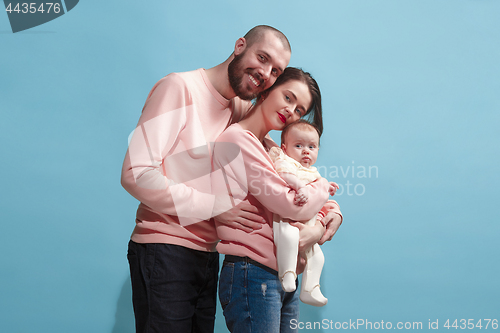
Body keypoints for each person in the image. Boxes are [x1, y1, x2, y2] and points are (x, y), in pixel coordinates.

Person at [121, 25, 292, 333]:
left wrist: (328, 213)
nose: (266, 73)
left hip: (210, 254)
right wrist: (216, 208)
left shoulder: (240, 110)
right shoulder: (179, 88)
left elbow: (281, 167)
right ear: (240, 45)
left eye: (276, 71)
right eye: (262, 57)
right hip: (165, 248)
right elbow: (136, 173)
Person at [212, 67, 343, 333]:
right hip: (253, 272)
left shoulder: (271, 147)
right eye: (288, 97)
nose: (291, 111)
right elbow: (290, 203)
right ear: (267, 89)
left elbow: (310, 187)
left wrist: (329, 217)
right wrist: (322, 190)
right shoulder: (237, 141)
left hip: (283, 273)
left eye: (299, 109)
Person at [269, 120, 339, 307]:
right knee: (289, 239)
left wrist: (327, 185)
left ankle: (310, 289)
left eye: (311, 146)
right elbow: (284, 175)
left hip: (308, 223)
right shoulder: (286, 162)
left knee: (318, 257)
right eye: (298, 145)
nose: (306, 151)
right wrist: (300, 186)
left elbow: (318, 185)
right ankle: (287, 273)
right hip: (286, 222)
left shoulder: (312, 171)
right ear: (285, 148)